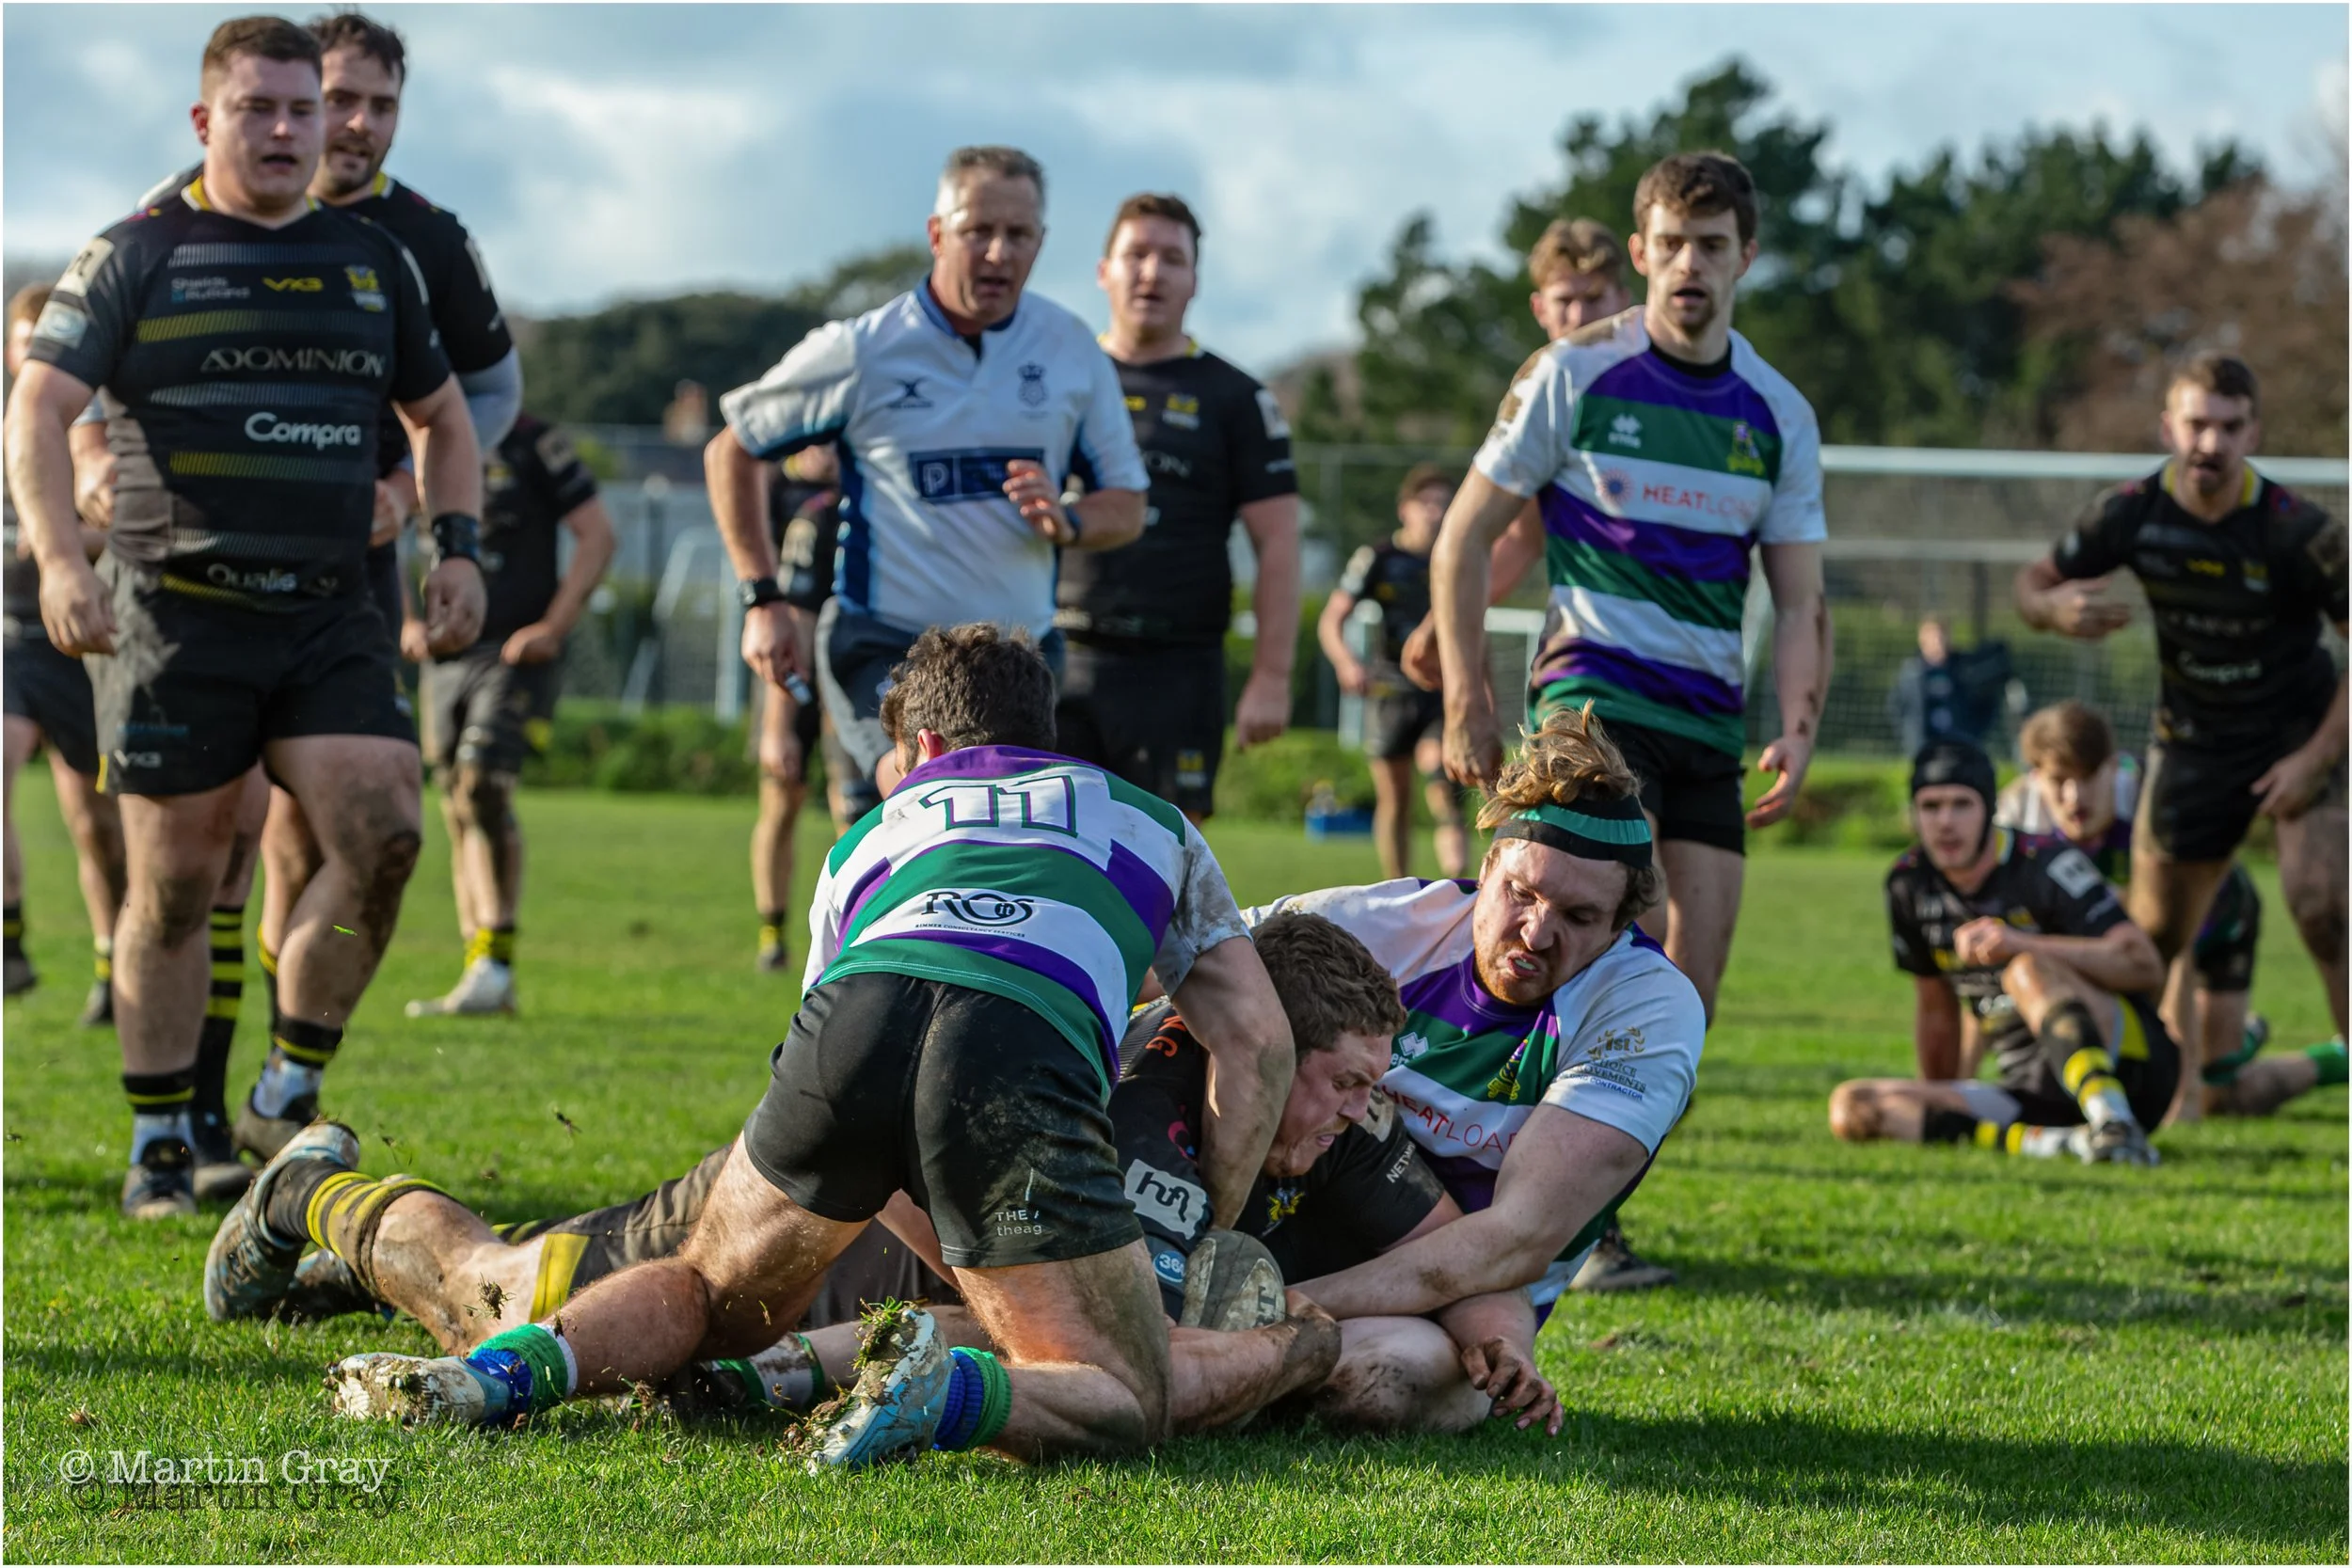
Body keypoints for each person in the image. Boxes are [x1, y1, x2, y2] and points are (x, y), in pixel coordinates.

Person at [267, 624, 1293, 1468]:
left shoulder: (868, 839)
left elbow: (845, 1063)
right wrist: (1209, 1222)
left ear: (925, 748)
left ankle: (494, 1377)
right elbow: (1253, 1043)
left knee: (707, 1286)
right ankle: (944, 1391)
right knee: (1126, 1396)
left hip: (853, 1025)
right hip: (1013, 1046)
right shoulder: (1150, 821)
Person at [213, 912, 1562, 1434]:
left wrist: (1502, 1343)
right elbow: (905, 1149)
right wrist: (1028, 1285)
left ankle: (331, 1262)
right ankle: (309, 1195)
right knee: (496, 1289)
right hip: (789, 1244)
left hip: (897, 1318)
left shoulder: (1337, 1134)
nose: (1358, 1111)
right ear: (1232, 1046)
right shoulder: (1102, 1067)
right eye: (1338, 1079)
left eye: (1372, 1086)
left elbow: (1462, 1247)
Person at [4, 15, 485, 1217]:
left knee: (383, 834)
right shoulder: (135, 251)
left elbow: (444, 415)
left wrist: (456, 544)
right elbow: (38, 404)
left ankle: (284, 1085)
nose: (285, 130)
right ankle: (164, 1136)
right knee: (174, 879)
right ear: (205, 120)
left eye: (303, 109)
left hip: (328, 611)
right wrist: (62, 557)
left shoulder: (375, 262)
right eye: (260, 108)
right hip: (178, 613)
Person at [107, 9, 523, 1162]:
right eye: (333, 99)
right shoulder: (176, 214)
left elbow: (484, 398)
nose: (350, 127)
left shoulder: (420, 237)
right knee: (223, 846)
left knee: (358, 830)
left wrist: (412, 490)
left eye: (379, 108)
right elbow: (101, 377)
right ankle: (189, 1105)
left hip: (340, 567)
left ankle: (283, 1081)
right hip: (194, 583)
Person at [1425, 154, 1832, 1293]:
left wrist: (1795, 723)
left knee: (1679, 1007)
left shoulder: (1775, 412)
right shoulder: (1573, 372)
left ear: (1744, 257)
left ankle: (1567, 1212)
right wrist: (1467, 689)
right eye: (1670, 241)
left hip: (1707, 726)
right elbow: (1462, 539)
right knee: (1573, 954)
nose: (1689, 264)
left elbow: (1801, 598)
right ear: (1640, 250)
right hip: (1592, 709)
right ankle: (1509, 1209)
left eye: (1712, 244)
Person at [1248, 705, 1708, 1425]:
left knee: (1390, 1377)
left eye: (1578, 917)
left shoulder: (1647, 1009)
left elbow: (1512, 1239)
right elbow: (1199, 960)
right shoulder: (1393, 921)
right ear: (1487, 864)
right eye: (1521, 893)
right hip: (1270, 1224)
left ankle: (1198, 1347)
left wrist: (1270, 1305)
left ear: (1622, 927)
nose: (1535, 931)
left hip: (1454, 1305)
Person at [706, 145, 1149, 825]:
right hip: (890, 642)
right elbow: (731, 450)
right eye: (979, 231)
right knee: (929, 797)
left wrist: (1069, 520)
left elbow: (1128, 503)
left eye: (1019, 235)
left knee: (1010, 832)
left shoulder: (1070, 350)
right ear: (938, 233)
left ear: (1042, 242)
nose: (999, 252)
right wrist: (761, 597)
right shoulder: (865, 349)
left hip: (1021, 655)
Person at [2015, 353, 2347, 1055]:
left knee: (2326, 909)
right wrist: (2052, 609)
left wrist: (2317, 757)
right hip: (2194, 741)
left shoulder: (2298, 529)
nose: (2211, 444)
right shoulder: (2131, 511)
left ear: (2254, 432)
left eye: (2230, 427)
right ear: (2168, 426)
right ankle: (2127, 1092)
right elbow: (2031, 583)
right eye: (2197, 424)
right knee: (2149, 940)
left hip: (2298, 733)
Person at [1053, 192, 1301, 823]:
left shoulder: (1236, 397)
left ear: (1194, 280)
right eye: (1135, 254)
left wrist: (1271, 675)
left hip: (1179, 666)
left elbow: (1278, 543)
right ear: (1103, 269)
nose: (1151, 272)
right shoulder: (1055, 383)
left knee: (1166, 867)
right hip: (1059, 653)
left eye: (1172, 259)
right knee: (1049, 854)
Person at [1827, 741, 2176, 1164]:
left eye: (1961, 805)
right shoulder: (1908, 884)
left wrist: (2020, 943)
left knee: (2025, 969)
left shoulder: (2044, 863)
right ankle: (2064, 1145)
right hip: (2029, 1087)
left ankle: (2114, 1120)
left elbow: (2144, 965)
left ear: (1989, 810)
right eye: (1931, 807)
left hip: (2132, 1067)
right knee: (1853, 1106)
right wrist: (1941, 1097)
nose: (1945, 822)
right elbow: (1935, 1008)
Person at [1998, 700, 2344, 1117]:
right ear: (2035, 778)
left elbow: (2174, 950)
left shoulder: (2150, 801)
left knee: (2213, 1095)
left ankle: (2339, 1060)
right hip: (2123, 940)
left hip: (2216, 923)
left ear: (2112, 767)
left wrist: (2183, 1095)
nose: (2075, 797)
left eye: (2089, 778)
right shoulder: (2016, 818)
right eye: (2059, 781)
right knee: (2220, 1093)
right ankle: (2246, 1041)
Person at [403, 414, 612, 1016]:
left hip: (512, 653)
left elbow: (597, 534)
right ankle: (481, 966)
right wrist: (406, 620)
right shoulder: (412, 434)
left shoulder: (532, 441)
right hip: (444, 654)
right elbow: (378, 531)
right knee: (453, 801)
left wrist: (554, 625)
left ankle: (496, 961)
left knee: (482, 786)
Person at [1397, 217, 1635, 691]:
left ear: (1623, 303)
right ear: (1539, 308)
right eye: (1565, 301)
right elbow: (1523, 538)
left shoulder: (1661, 387)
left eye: (1595, 299)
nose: (1579, 316)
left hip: (1682, 653)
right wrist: (1441, 624)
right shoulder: (1543, 400)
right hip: (1589, 657)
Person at [4, 284, 126, 1023]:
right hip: (8, 636)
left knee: (97, 826)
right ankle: (10, 943)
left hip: (85, 644)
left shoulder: (93, 433)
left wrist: (62, 542)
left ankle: (116, 963)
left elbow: (137, 531)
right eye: (22, 339)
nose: (31, 352)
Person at [1320, 465, 1469, 880]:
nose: (1436, 512)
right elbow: (1332, 619)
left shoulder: (1457, 559)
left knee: (1444, 777)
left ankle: (1458, 882)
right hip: (1391, 691)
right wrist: (1347, 663)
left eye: (1444, 503)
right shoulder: (1379, 558)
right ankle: (1398, 888)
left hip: (1442, 690)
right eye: (1427, 502)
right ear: (1405, 509)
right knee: (1396, 799)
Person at [752, 443, 839, 973]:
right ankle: (772, 933)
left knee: (848, 809)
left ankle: (849, 931)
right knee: (780, 800)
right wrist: (778, 722)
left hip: (854, 679)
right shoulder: (796, 501)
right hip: (791, 669)